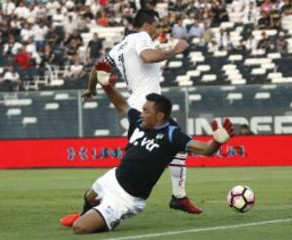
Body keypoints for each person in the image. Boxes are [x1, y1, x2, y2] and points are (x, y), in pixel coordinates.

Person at [61, 79, 235, 234]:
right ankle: (86, 213)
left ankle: (110, 219)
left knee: (80, 228)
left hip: (126, 198)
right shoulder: (139, 121)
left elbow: (205, 149)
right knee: (90, 196)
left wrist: (217, 142)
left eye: (146, 110)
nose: (141, 113)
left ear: (159, 116)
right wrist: (106, 86)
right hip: (113, 177)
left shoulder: (172, 135)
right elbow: (122, 105)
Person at [82, 9, 202, 214]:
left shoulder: (120, 46)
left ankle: (178, 196)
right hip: (148, 110)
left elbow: (96, 68)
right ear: (146, 25)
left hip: (136, 107)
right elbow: (147, 57)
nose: (156, 29)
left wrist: (91, 88)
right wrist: (175, 50)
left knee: (161, 150)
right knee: (166, 146)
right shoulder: (141, 37)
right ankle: (174, 197)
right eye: (155, 25)